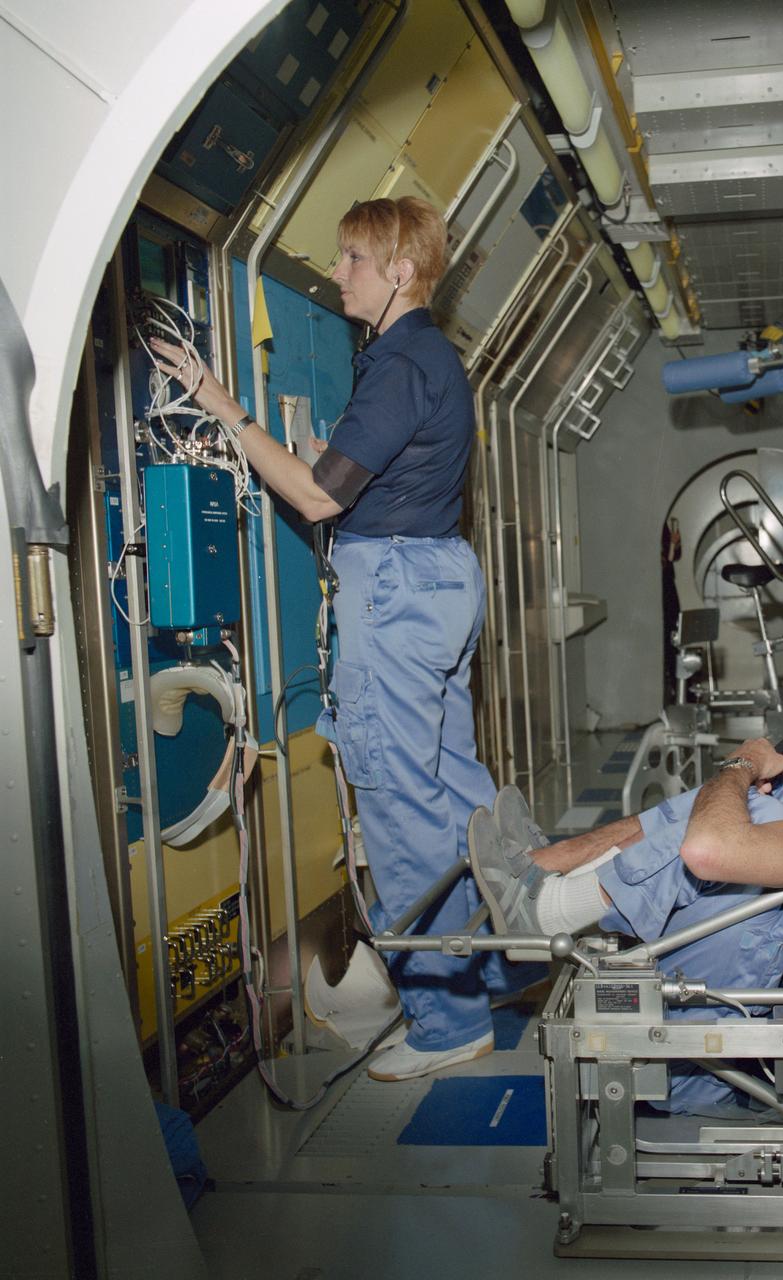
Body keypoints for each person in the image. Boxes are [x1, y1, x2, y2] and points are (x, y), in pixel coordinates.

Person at [152, 195, 507, 1082]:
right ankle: (493, 966)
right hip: (438, 576)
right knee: (453, 789)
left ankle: (447, 1019)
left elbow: (317, 498)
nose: (339, 272)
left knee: (396, 801)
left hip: (391, 590)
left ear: (399, 271)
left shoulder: (399, 365)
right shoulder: (427, 357)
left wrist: (220, 404)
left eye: (352, 259)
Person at [469, 661, 783, 1111]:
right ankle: (542, 870)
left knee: (742, 811)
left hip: (732, 1064)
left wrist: (738, 767)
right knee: (739, 800)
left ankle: (550, 910)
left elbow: (707, 850)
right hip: (724, 1001)